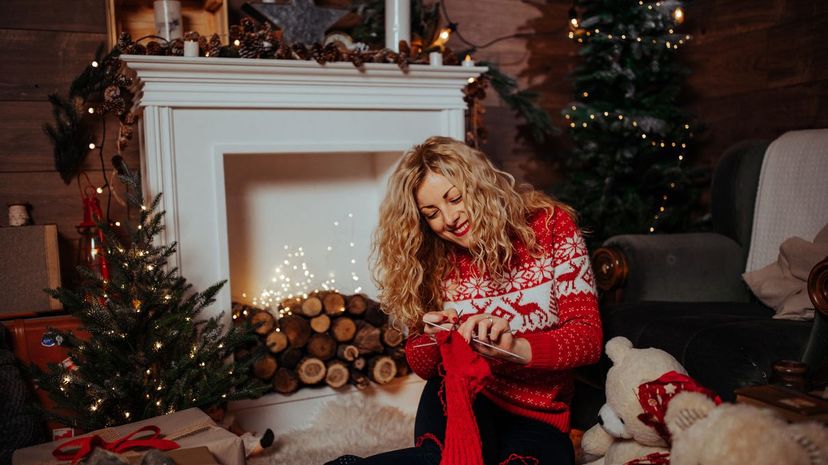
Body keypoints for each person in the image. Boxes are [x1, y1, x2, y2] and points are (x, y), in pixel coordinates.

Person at [327, 136, 602, 465]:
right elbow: (423, 365)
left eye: (455, 198)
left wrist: (511, 346)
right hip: (461, 396)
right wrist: (432, 338)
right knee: (442, 458)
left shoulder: (551, 227)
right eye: (432, 213)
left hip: (539, 413)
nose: (449, 219)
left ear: (479, 184)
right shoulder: (433, 255)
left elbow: (587, 339)